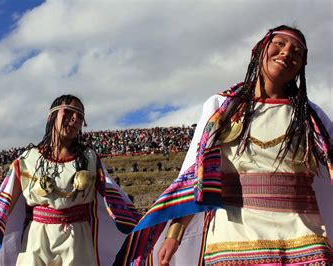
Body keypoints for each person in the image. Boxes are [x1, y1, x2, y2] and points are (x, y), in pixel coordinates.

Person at [115, 25, 332, 265]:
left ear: (302, 65)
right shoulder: (222, 108)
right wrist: (174, 234)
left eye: (297, 51)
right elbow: (194, 175)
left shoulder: (313, 117)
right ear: (259, 50)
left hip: (302, 232)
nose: (287, 53)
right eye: (279, 44)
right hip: (234, 233)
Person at [0, 95, 140, 265]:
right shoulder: (28, 158)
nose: (74, 119)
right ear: (52, 116)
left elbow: (112, 196)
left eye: (80, 116)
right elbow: (6, 203)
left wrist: (141, 228)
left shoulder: (89, 157)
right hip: (38, 237)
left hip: (77, 236)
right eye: (69, 112)